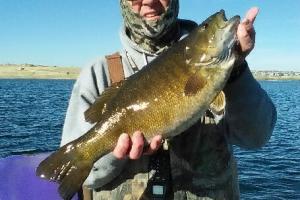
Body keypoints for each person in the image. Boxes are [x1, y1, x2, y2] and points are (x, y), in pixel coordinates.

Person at [61, 0, 277, 199]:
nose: (147, 1)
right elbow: (89, 177)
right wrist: (117, 154)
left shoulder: (218, 66)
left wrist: (236, 66)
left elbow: (257, 137)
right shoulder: (98, 73)